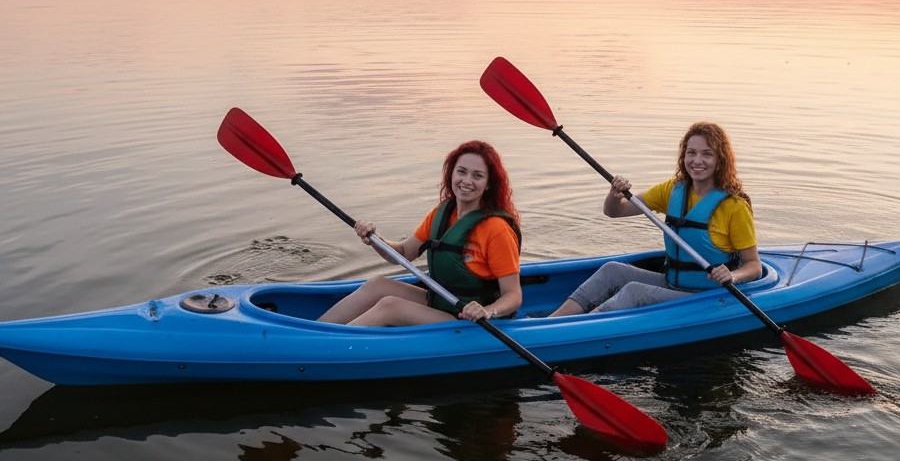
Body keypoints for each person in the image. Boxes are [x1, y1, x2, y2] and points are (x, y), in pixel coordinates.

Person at [550, 122, 761, 316]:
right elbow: (615, 211)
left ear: (720, 160)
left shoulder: (734, 206)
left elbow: (753, 265)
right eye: (691, 153)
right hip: (673, 284)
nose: (697, 161)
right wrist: (614, 195)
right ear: (684, 156)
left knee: (634, 292)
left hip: (706, 295)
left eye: (707, 154)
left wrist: (733, 276)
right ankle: (551, 322)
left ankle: (576, 330)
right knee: (612, 270)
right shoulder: (672, 190)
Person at [317, 141, 522, 327]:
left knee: (390, 306)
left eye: (477, 176)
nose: (467, 181)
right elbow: (403, 253)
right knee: (377, 285)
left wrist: (487, 311)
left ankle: (328, 347)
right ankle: (316, 331)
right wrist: (374, 239)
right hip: (440, 301)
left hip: (467, 320)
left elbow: (513, 295)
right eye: (462, 172)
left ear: (488, 184)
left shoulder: (496, 229)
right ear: (452, 173)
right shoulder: (443, 213)